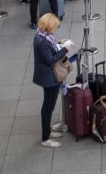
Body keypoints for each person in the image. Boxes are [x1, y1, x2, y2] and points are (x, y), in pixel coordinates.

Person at [32, 13, 74, 148]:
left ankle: (48, 131)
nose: (55, 29)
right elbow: (50, 59)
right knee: (48, 107)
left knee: (47, 106)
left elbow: (49, 51)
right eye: (55, 27)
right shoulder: (43, 41)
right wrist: (65, 50)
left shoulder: (40, 35)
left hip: (46, 76)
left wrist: (58, 45)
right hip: (49, 78)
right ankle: (45, 138)